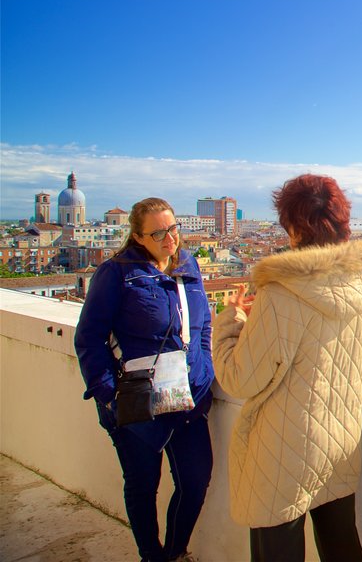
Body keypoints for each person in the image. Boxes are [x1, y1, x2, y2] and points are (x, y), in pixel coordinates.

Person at [212, 174, 362, 562]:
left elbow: (240, 378)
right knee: (341, 545)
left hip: (282, 444)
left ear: (293, 226)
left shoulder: (281, 292)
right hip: (340, 434)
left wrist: (233, 322)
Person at [75, 198, 214, 562]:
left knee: (195, 482)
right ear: (138, 236)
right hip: (136, 402)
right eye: (158, 233)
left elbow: (202, 327)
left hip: (188, 399)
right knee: (142, 485)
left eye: (173, 229)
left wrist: (205, 369)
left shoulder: (188, 264)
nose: (170, 238)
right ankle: (151, 555)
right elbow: (88, 338)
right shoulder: (117, 273)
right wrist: (110, 396)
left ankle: (172, 552)